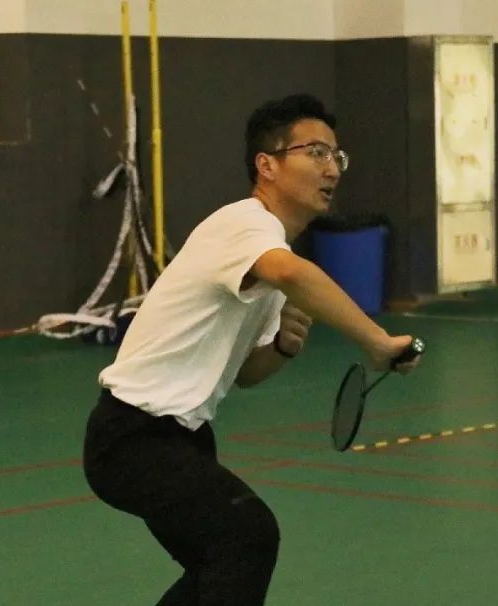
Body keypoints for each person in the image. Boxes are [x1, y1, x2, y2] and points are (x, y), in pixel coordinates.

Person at [82, 93, 421, 605]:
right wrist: (377, 341)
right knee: (247, 536)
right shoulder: (244, 224)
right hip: (133, 437)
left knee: (217, 562)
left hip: (185, 437)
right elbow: (292, 274)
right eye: (316, 153)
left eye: (336, 156)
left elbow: (246, 374)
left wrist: (281, 347)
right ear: (267, 165)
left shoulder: (268, 252)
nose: (332, 168)